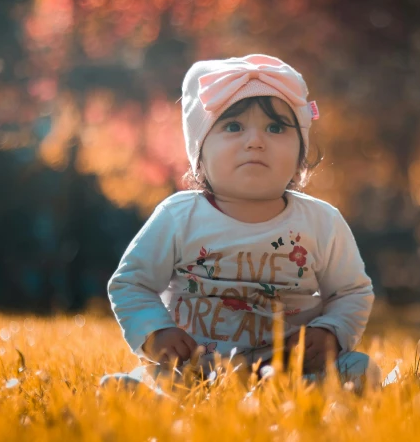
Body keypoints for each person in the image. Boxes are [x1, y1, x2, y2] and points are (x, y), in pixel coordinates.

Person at [101, 54, 379, 393]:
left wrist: (331, 331)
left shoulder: (321, 222)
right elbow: (132, 283)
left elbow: (351, 292)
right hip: (193, 368)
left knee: (360, 369)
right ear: (200, 153)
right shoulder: (179, 216)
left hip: (289, 369)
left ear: (300, 155)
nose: (255, 141)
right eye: (233, 127)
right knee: (159, 383)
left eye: (275, 128)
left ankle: (299, 396)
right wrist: (156, 332)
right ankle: (147, 394)